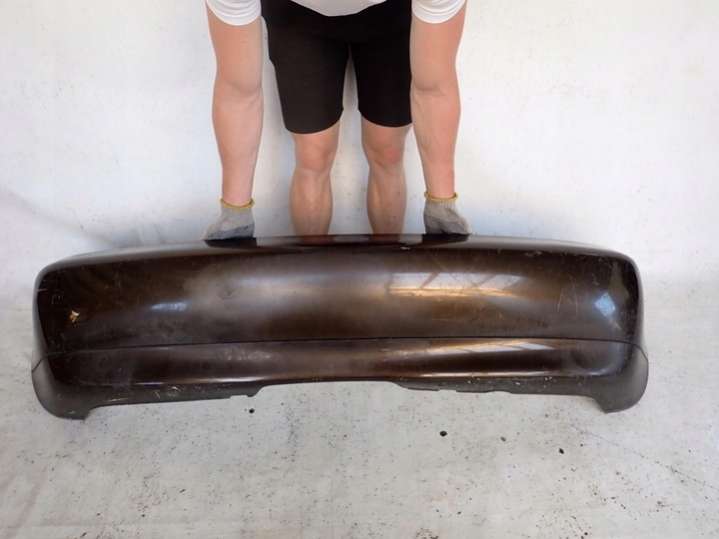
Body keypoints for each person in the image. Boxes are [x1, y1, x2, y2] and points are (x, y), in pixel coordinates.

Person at [204, 0, 470, 239]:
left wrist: (441, 206)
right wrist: (235, 213)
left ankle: (387, 264)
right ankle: (311, 267)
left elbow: (434, 88)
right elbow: (238, 91)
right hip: (297, 17)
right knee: (313, 153)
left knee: (387, 149)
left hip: (391, 16)